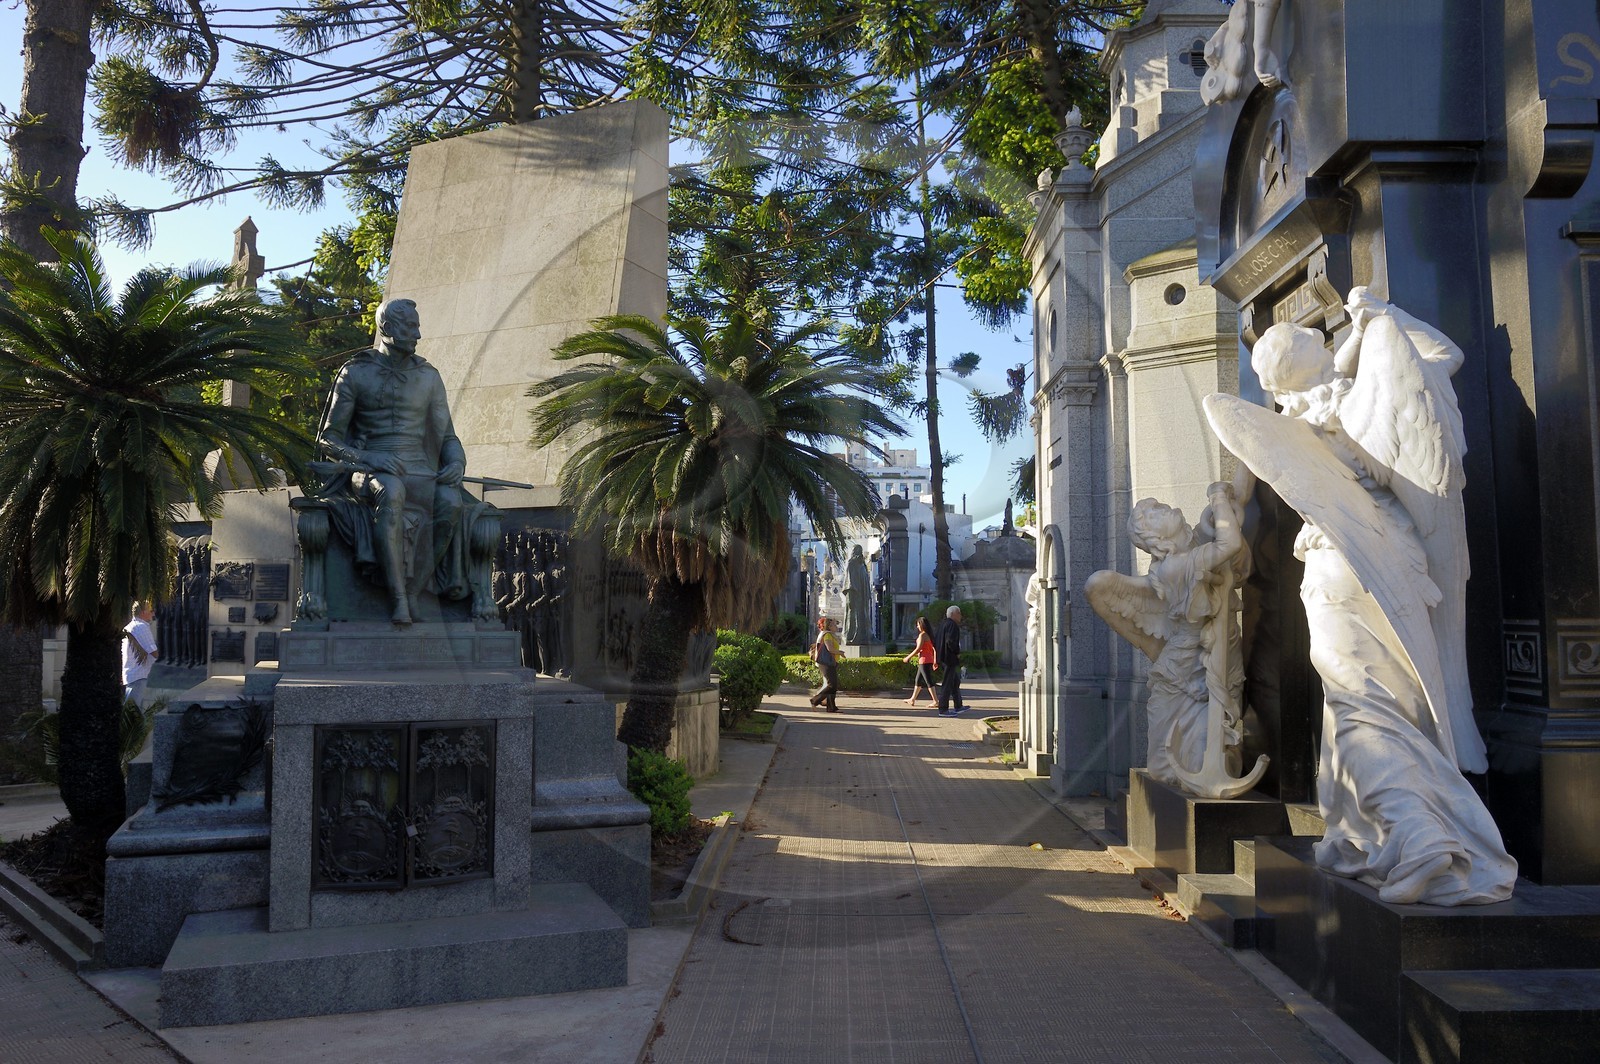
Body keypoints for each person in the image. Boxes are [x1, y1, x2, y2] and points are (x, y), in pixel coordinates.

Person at [1205, 288, 1516, 905]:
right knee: (1391, 705)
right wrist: (1379, 318)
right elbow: (1444, 355)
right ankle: (1370, 832)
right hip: (1400, 558)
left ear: (1275, 388)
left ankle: (1418, 836)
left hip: (1342, 565)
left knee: (1361, 706)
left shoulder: (1297, 422)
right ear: (1322, 353)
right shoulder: (1366, 397)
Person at [313, 297, 483, 625]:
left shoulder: (429, 377)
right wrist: (369, 457)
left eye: (418, 326)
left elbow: (447, 437)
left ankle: (416, 590)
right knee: (391, 491)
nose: (418, 334)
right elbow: (327, 439)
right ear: (387, 328)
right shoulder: (355, 372)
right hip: (368, 470)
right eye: (410, 327)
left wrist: (456, 464)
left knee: (450, 502)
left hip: (420, 469)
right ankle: (398, 600)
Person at [122, 601, 158, 707]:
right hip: (138, 676)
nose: (153, 614)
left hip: (131, 674)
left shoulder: (130, 626)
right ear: (143, 612)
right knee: (132, 714)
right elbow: (153, 652)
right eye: (151, 611)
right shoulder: (141, 627)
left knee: (132, 711)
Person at [934, 605, 965, 716]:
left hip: (943, 658)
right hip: (949, 658)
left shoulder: (942, 624)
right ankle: (943, 709)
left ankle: (958, 705)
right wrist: (957, 653)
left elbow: (936, 641)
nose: (960, 616)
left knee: (955, 681)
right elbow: (951, 642)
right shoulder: (952, 625)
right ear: (954, 614)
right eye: (959, 613)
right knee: (947, 683)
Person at [808, 616, 842, 712]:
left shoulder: (830, 635)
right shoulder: (827, 635)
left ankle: (831, 707)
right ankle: (815, 700)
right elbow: (830, 649)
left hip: (831, 662)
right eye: (834, 625)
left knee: (833, 685)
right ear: (829, 626)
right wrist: (840, 653)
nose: (836, 627)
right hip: (826, 663)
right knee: (831, 685)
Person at [903, 616, 937, 706]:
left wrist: (908, 657)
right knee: (918, 680)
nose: (917, 627)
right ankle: (912, 699)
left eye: (918, 625)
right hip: (927, 659)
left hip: (924, 660)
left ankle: (936, 701)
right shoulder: (928, 635)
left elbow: (918, 649)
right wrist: (934, 661)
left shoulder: (923, 635)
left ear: (922, 625)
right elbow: (933, 649)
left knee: (928, 681)